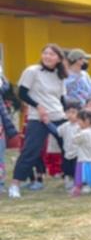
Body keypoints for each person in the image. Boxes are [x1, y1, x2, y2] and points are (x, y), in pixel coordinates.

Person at [8, 44, 68, 200]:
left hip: (58, 116)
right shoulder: (32, 71)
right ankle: (15, 184)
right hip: (38, 117)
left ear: (59, 59)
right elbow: (22, 93)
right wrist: (38, 106)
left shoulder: (60, 75)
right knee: (31, 150)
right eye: (45, 53)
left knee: (68, 148)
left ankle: (72, 179)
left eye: (52, 54)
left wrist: (67, 115)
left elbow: (61, 98)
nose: (48, 56)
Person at [59, 101, 81, 190]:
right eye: (68, 112)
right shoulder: (65, 126)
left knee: (77, 168)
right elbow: (57, 132)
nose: (70, 115)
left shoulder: (80, 125)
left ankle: (80, 183)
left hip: (78, 152)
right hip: (67, 152)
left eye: (73, 112)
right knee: (67, 168)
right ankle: (70, 181)